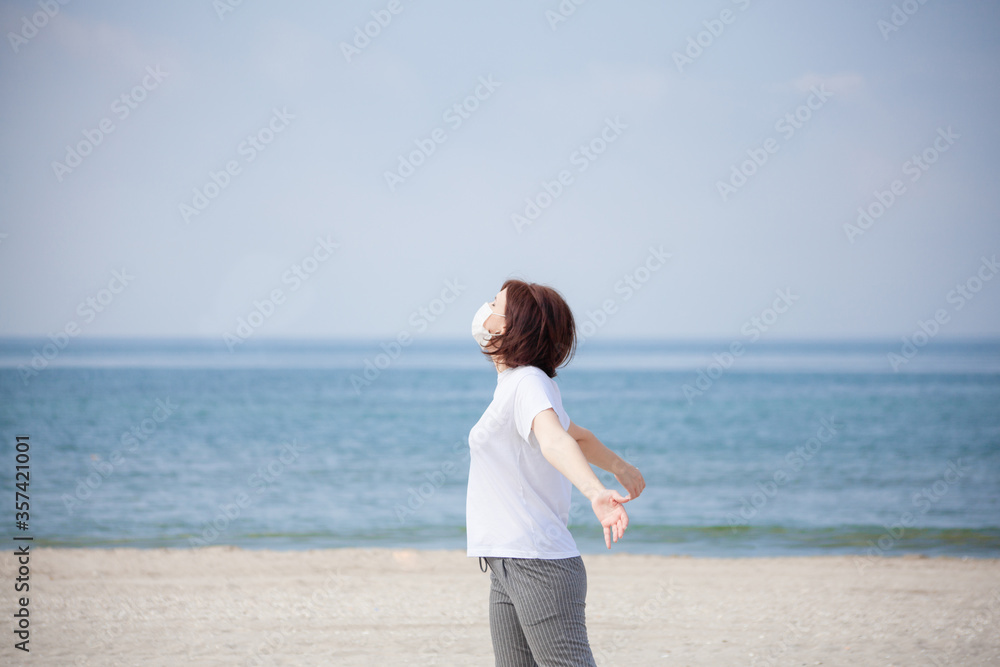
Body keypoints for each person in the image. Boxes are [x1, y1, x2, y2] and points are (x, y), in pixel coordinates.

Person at [466, 278, 646, 667]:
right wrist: (621, 467)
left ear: (513, 326)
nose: (485, 311)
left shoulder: (529, 382)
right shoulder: (520, 384)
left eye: (494, 305)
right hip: (507, 560)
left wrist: (596, 492)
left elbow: (555, 440)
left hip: (537, 563)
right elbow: (577, 436)